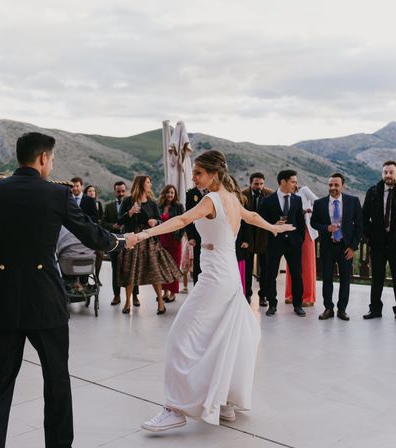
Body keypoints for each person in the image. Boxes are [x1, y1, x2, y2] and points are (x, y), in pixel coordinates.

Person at [0, 132, 125, 448]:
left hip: (0, 303)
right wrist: (119, 242)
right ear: (44, 159)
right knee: (56, 380)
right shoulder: (57, 193)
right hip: (45, 302)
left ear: (20, 157)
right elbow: (91, 234)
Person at [125, 150, 294, 432]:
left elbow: (181, 221)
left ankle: (175, 408)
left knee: (181, 337)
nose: (194, 178)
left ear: (214, 174)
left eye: (199, 173)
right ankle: (224, 400)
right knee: (223, 335)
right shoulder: (232, 198)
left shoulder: (212, 199)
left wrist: (142, 235)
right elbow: (251, 216)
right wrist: (272, 229)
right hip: (229, 276)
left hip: (215, 277)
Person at [117, 175, 181, 315]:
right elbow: (119, 221)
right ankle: (127, 302)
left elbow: (159, 220)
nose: (150, 184)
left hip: (149, 241)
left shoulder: (152, 203)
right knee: (130, 272)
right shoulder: (128, 201)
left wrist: (155, 222)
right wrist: (130, 212)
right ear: (141, 184)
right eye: (148, 182)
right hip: (133, 240)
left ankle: (160, 303)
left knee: (154, 272)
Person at [311, 174, 362, 321]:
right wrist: (326, 228)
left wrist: (353, 247)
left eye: (336, 185)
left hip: (346, 247)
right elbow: (314, 223)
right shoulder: (319, 203)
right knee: (326, 278)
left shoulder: (353, 201)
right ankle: (328, 308)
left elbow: (359, 226)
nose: (332, 188)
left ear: (342, 186)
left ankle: (342, 309)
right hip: (328, 247)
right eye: (330, 185)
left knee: (345, 279)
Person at [259, 170, 306, 317]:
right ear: (283, 182)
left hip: (293, 243)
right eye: (293, 181)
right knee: (270, 274)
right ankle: (272, 304)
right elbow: (261, 222)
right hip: (274, 242)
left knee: (297, 274)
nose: (295, 185)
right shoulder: (267, 201)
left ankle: (298, 305)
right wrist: (273, 225)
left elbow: (300, 222)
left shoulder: (297, 200)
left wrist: (299, 240)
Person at [362, 160, 396, 319]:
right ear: (382, 174)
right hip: (378, 244)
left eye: (391, 172)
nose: (388, 175)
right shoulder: (373, 192)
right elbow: (363, 218)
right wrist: (371, 235)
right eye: (385, 172)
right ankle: (375, 309)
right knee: (377, 277)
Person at [100, 181, 139, 306]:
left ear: (126, 190)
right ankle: (116, 296)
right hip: (115, 242)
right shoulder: (109, 206)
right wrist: (114, 226)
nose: (121, 193)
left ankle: (135, 297)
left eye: (123, 191)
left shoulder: (133, 205)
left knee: (133, 269)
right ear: (115, 192)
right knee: (115, 270)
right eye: (118, 191)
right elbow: (103, 223)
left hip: (130, 241)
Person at [242, 172, 274, 305]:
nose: (259, 186)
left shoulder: (270, 194)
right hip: (248, 236)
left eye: (261, 184)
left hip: (264, 236)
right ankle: (247, 294)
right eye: (256, 184)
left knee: (265, 268)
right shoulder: (243, 195)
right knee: (247, 268)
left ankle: (263, 296)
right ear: (250, 183)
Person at [285, 183, 319, 307]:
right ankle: (291, 295)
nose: (293, 184)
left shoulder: (304, 190)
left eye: (294, 181)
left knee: (307, 264)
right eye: (291, 181)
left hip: (306, 230)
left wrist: (309, 211)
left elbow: (320, 203)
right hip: (291, 230)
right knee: (291, 263)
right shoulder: (285, 196)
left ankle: (308, 297)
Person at [157, 185, 185, 302]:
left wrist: (179, 237)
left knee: (174, 266)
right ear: (164, 193)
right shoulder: (159, 206)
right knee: (163, 266)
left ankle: (173, 292)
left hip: (174, 241)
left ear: (175, 195)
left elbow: (184, 222)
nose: (170, 195)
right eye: (168, 192)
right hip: (162, 241)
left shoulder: (178, 206)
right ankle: (165, 292)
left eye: (172, 193)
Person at [185, 186, 205, 284]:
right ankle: (197, 286)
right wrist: (191, 237)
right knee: (198, 263)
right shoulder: (191, 193)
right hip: (197, 235)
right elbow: (188, 216)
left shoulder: (214, 190)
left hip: (212, 233)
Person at [85, 185, 104, 284]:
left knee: (100, 254)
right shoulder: (83, 203)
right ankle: (85, 278)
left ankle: (97, 276)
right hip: (86, 232)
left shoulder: (98, 204)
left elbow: (101, 217)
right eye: (89, 191)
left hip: (97, 231)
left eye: (93, 191)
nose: (92, 192)